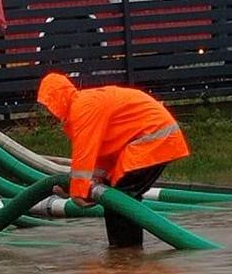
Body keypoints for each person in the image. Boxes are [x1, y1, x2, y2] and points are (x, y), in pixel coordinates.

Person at [36, 72, 191, 248]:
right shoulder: (83, 106)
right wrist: (79, 186)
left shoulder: (82, 109)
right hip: (148, 141)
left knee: (120, 200)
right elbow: (102, 154)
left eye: (49, 103)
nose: (49, 111)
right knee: (119, 200)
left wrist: (78, 192)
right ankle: (128, 256)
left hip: (153, 141)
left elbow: (84, 153)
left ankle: (125, 256)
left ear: (57, 99)